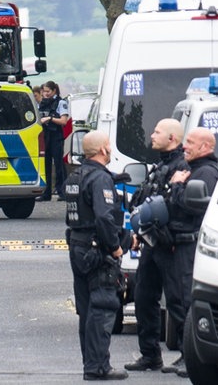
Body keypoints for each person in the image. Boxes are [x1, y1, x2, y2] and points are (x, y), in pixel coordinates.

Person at [124, 118, 190, 374]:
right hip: (152, 243)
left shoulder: (182, 167)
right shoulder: (160, 165)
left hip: (170, 244)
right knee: (143, 297)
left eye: (157, 132)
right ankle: (150, 355)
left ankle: (188, 355)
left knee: (177, 300)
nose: (152, 135)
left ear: (172, 138)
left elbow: (180, 207)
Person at [65, 130, 129, 381]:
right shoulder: (99, 178)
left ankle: (90, 363)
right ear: (103, 150)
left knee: (87, 309)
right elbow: (104, 217)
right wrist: (115, 246)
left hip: (78, 246)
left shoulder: (75, 176)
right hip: (96, 250)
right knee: (102, 306)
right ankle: (98, 366)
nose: (110, 149)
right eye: (109, 146)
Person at [164, 127, 218, 378]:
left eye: (191, 143)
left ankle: (194, 357)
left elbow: (190, 207)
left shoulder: (206, 173)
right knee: (176, 298)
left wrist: (176, 186)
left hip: (191, 243)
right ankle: (187, 353)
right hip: (180, 242)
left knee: (187, 300)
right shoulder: (193, 169)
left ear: (206, 147)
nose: (185, 146)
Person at [37, 81, 69, 202]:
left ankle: (62, 191)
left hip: (56, 135)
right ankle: (46, 192)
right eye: (44, 91)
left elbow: (64, 121)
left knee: (59, 163)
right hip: (45, 136)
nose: (46, 94)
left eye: (48, 91)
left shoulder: (61, 102)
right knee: (45, 165)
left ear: (54, 91)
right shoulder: (42, 104)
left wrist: (50, 118)